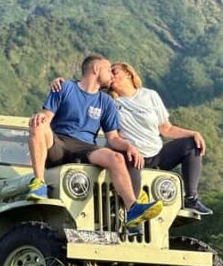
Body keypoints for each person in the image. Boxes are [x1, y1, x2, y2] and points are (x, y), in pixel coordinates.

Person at [50, 61, 212, 216]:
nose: (111, 75)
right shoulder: (108, 100)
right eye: (109, 72)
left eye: (115, 71)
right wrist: (60, 82)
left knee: (192, 144)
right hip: (130, 154)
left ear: (128, 74)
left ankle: (191, 198)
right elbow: (86, 88)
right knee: (129, 171)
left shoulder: (150, 96)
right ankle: (131, 213)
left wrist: (193, 133)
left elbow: (165, 128)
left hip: (156, 153)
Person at [27, 54, 163, 230]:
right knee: (38, 125)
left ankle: (132, 208)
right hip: (59, 141)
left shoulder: (106, 102)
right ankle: (38, 183)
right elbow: (47, 116)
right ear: (96, 69)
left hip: (85, 147)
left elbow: (112, 138)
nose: (111, 75)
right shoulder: (65, 87)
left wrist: (129, 146)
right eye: (108, 70)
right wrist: (40, 116)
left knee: (116, 158)